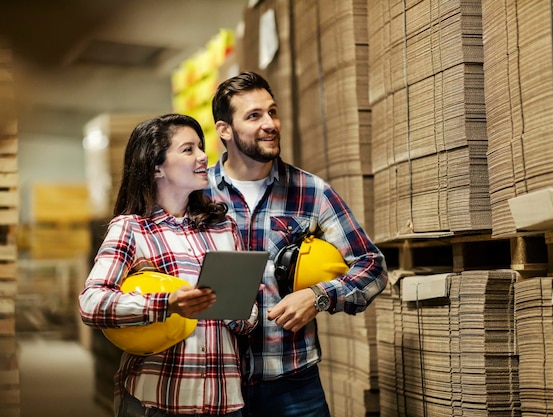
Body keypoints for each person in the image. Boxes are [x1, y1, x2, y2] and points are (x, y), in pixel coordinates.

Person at [205, 71, 389, 417]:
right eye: (254, 115)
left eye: (272, 112)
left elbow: (372, 266)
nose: (270, 124)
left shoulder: (311, 191)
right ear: (224, 130)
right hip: (216, 382)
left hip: (292, 383)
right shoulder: (198, 195)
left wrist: (318, 295)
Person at [79, 113, 258, 417]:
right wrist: (167, 304)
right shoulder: (132, 229)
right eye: (188, 149)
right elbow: (92, 303)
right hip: (159, 404)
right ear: (157, 167)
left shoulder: (223, 228)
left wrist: (234, 309)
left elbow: (249, 314)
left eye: (201, 147)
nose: (203, 156)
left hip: (225, 404)